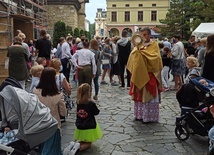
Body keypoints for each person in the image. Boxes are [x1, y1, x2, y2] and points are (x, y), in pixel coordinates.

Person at [126, 27, 163, 123]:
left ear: (149, 35)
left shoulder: (154, 44)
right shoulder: (137, 46)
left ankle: (150, 116)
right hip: (139, 74)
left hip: (150, 75)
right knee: (139, 96)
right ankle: (139, 115)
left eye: (145, 34)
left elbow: (156, 58)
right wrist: (137, 52)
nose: (143, 37)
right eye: (142, 35)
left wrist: (142, 54)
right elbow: (132, 58)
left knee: (148, 96)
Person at [33, 67, 67, 155]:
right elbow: (63, 113)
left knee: (42, 148)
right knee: (53, 150)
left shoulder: (35, 92)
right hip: (53, 126)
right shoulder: (58, 95)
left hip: (39, 125)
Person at [71, 83, 102, 155]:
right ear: (88, 92)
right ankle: (78, 149)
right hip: (89, 125)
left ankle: (74, 145)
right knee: (88, 143)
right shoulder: (91, 103)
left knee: (82, 140)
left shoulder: (78, 102)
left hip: (80, 124)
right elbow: (96, 112)